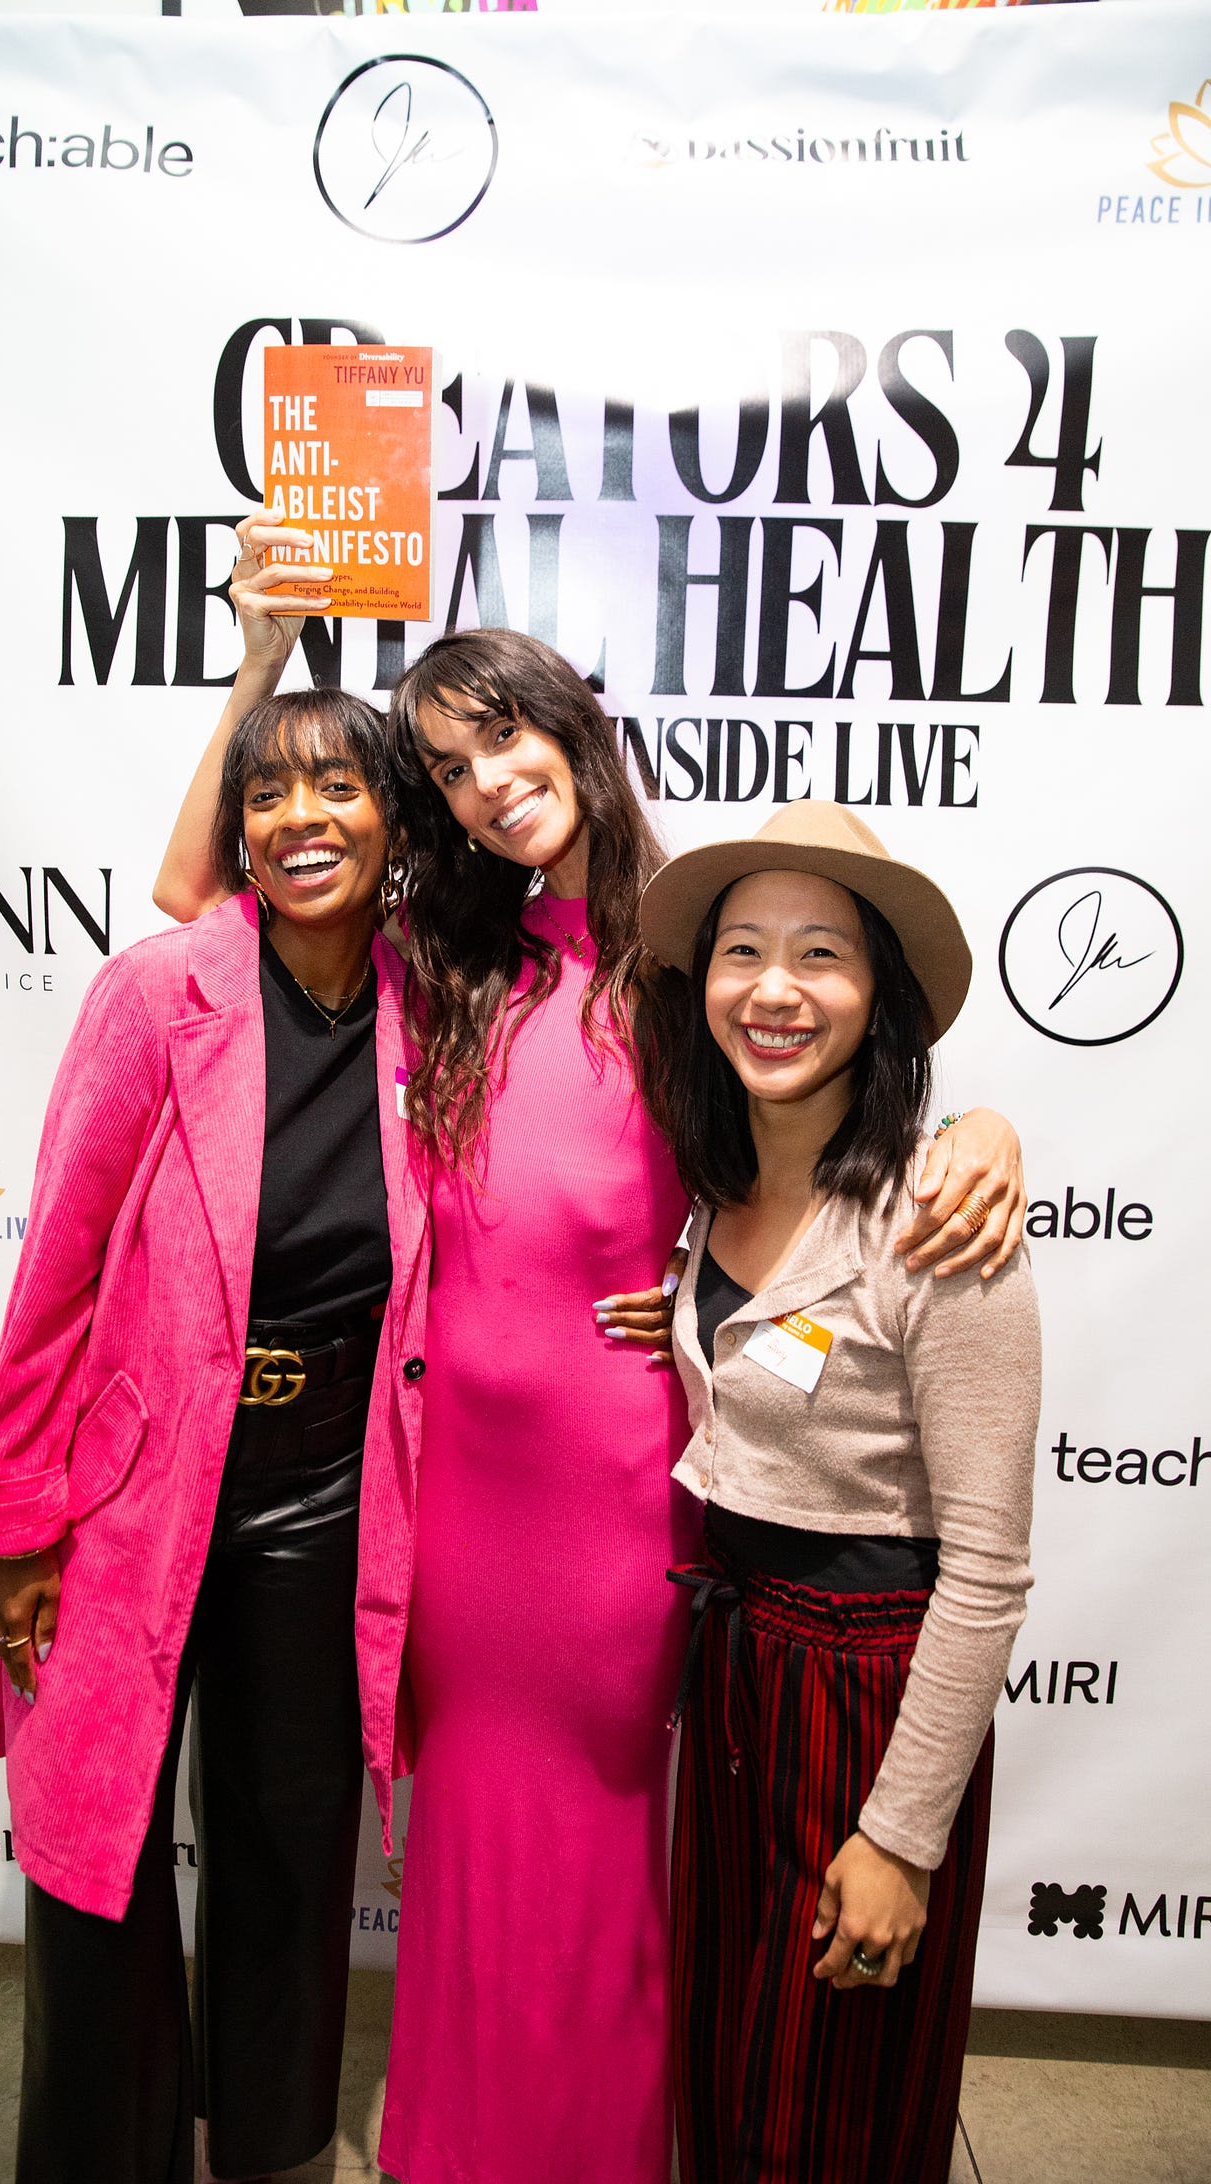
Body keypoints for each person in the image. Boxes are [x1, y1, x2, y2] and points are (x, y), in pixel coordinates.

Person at [155, 528, 1029, 2184]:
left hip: (624, 1493)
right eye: (448, 766)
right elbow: (202, 908)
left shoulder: (695, 953)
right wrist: (263, 664)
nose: (487, 783)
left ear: (575, 727)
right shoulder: (447, 963)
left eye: (507, 735)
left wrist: (985, 1125)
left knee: (614, 1857)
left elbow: (848, 1079)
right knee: (474, 1855)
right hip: (451, 1499)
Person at [0, 687, 432, 2184]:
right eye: (271, 793)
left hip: (331, 1483)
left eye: (339, 786)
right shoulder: (160, 991)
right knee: (95, 1842)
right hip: (135, 1482)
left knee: (293, 1845)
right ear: (239, 828)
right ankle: (104, 2152)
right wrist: (16, 1521)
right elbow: (59, 1268)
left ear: (396, 819)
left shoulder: (447, 1006)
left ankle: (272, 2143)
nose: (303, 817)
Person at [637, 803, 1040, 2184]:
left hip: (867, 1692)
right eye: (743, 951)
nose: (775, 988)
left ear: (881, 998)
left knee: (836, 2101)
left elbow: (987, 1570)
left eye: (822, 955)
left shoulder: (945, 1221)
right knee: (727, 2077)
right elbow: (766, 1365)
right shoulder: (718, 1195)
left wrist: (900, 1834)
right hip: (739, 1666)